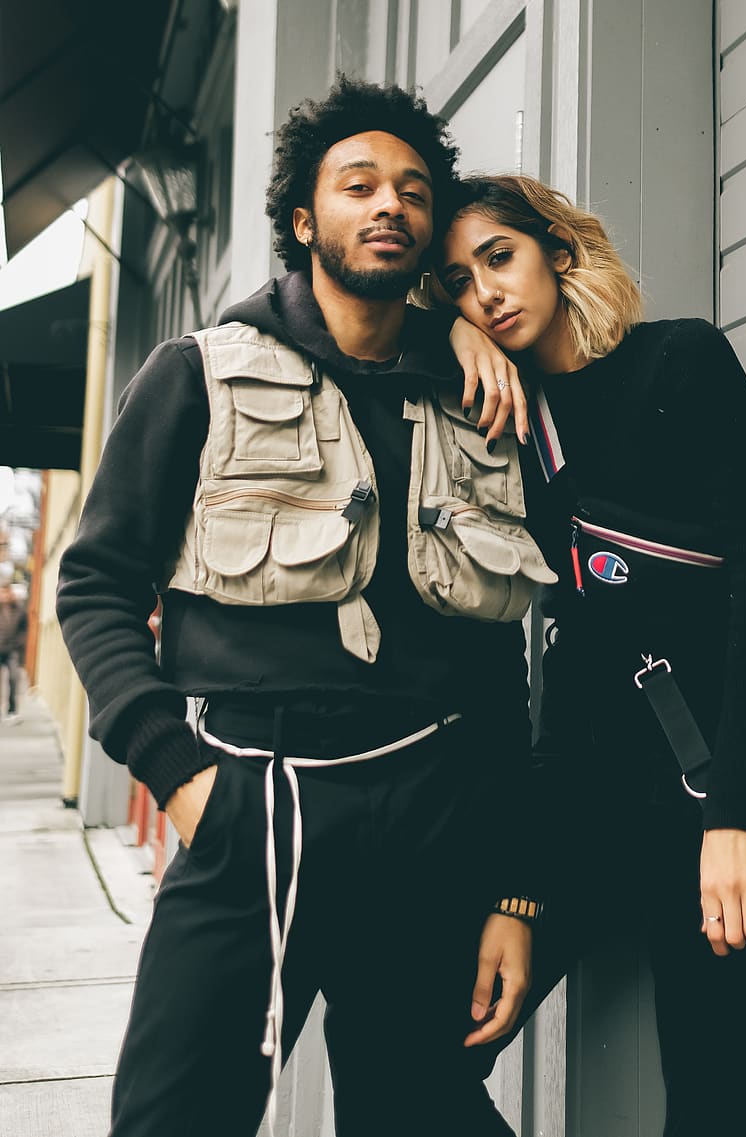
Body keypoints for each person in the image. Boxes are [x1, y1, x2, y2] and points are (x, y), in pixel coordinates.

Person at [56, 79, 556, 1137]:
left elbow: (493, 662)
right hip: (254, 804)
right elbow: (95, 584)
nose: (389, 205)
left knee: (419, 1108)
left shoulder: (472, 403)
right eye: (359, 184)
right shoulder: (197, 373)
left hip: (434, 816)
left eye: (413, 192)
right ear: (301, 219)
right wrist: (180, 776)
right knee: (174, 1113)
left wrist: (513, 892)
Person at [436, 174, 746, 1136]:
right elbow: (344, 310)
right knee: (420, 1043)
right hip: (587, 802)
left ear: (558, 255)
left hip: (715, 803)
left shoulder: (680, 362)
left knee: (717, 1109)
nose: (483, 291)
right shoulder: (511, 426)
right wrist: (519, 890)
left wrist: (738, 817)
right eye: (456, 283)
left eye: (498, 258)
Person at [0, 582, 27, 723]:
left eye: (6, 592)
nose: (4, 596)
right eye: (1, 592)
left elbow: (24, 629)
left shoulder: (19, 610)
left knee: (13, 679)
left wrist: (19, 644)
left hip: (12, 650)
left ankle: (12, 710)